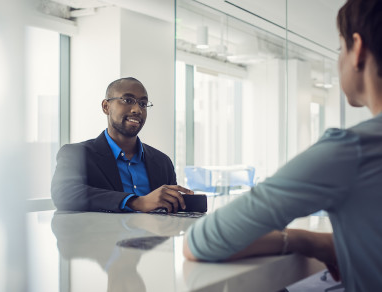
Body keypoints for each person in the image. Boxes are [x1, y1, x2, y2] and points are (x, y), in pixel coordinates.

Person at [183, 0, 382, 290]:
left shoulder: (352, 150)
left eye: (340, 49)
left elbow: (201, 241)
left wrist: (307, 240)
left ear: (357, 48)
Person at [51, 77, 193, 213]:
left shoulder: (162, 162)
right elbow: (63, 193)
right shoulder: (77, 154)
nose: (137, 110)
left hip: (155, 237)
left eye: (143, 104)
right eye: (127, 100)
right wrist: (136, 202)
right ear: (106, 107)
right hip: (102, 237)